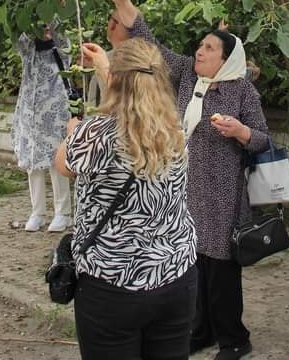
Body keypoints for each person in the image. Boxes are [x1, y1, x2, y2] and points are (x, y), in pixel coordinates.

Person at [97, 0, 269, 360]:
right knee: (194, 265)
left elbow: (262, 139)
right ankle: (201, 330)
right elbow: (147, 40)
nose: (199, 52)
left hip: (224, 194)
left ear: (225, 58)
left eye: (209, 48)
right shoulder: (187, 79)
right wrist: (121, 1)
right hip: (187, 189)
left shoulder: (241, 89)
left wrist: (241, 132)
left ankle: (234, 339)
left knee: (222, 272)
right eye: (201, 46)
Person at [55, 38, 197, 360]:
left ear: (117, 82)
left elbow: (62, 164)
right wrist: (108, 70)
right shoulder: (176, 129)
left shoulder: (94, 134)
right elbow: (136, 106)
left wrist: (71, 132)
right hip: (176, 275)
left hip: (112, 283)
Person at [14, 23, 73, 232]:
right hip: (29, 108)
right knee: (32, 160)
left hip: (54, 106)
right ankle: (37, 212)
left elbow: (67, 51)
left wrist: (53, 34)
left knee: (56, 158)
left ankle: (63, 212)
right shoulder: (28, 46)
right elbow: (20, 44)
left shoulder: (60, 45)